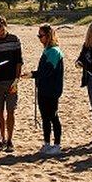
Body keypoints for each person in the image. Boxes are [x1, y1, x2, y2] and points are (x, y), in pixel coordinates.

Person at [0, 16, 23, 152]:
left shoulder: (14, 39)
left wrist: (17, 79)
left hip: (11, 81)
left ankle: (10, 140)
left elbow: (19, 61)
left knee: (11, 111)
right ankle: (2, 138)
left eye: (1, 29)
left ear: (5, 26)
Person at [31, 24, 64, 156]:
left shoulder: (54, 51)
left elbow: (47, 72)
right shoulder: (47, 50)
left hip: (52, 90)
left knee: (53, 116)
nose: (40, 38)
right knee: (45, 117)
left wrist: (33, 74)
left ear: (48, 36)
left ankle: (57, 144)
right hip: (44, 89)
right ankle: (47, 143)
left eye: (41, 35)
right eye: (38, 35)